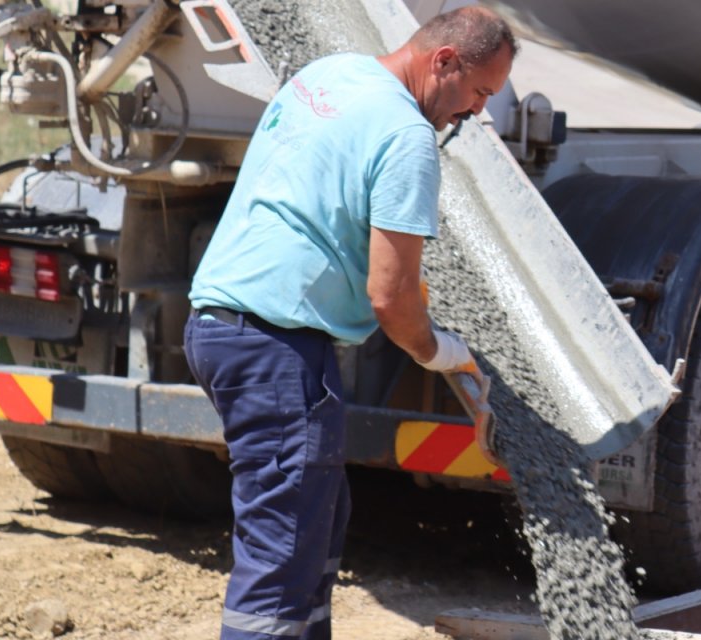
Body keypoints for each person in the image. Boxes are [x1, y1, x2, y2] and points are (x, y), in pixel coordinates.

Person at [183, 7, 518, 639]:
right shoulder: (408, 137)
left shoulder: (334, 74)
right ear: (443, 61)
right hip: (274, 347)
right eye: (479, 93)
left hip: (219, 325)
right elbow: (391, 299)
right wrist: (446, 353)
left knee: (318, 522)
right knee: (281, 557)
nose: (476, 113)